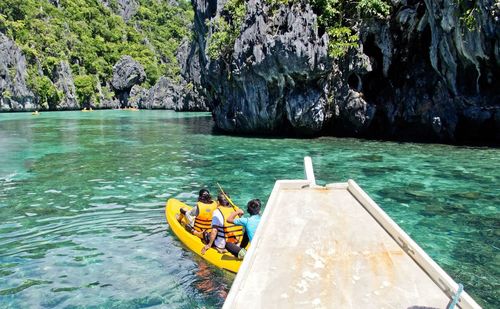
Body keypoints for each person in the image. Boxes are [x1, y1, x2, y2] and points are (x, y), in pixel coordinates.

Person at [201, 193, 246, 259]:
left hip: (223, 245)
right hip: (238, 243)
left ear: (218, 202)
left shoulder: (217, 212)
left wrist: (209, 245)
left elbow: (214, 230)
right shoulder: (237, 210)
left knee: (206, 234)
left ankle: (194, 232)